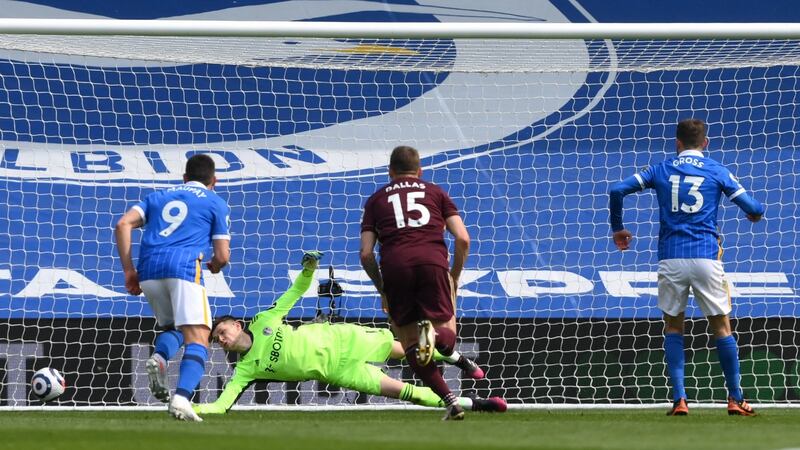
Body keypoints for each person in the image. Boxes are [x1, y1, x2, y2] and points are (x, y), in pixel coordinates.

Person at [193, 251, 506, 415]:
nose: (222, 340)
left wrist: (309, 267)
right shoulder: (246, 370)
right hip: (339, 370)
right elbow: (220, 406)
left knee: (411, 350)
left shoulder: (264, 319)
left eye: (221, 332)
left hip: (346, 339)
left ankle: (460, 360)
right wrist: (186, 404)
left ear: (236, 325)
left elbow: (297, 290)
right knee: (408, 393)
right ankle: (476, 404)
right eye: (218, 340)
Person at [609, 118, 765, 416]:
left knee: (673, 327)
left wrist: (618, 228)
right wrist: (754, 217)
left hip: (671, 259)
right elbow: (755, 208)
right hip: (706, 258)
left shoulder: (660, 169)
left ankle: (680, 400)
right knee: (721, 328)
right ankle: (735, 398)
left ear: (677, 143)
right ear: (705, 143)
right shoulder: (717, 170)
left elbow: (617, 190)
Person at [115, 153, 231, 422]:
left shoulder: (156, 197)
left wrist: (129, 271)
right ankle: (181, 397)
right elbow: (223, 256)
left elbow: (123, 224)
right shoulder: (215, 202)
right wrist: (215, 265)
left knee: (175, 328)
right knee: (200, 335)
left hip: (149, 271)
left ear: (184, 178)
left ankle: (160, 356)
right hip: (184, 269)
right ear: (214, 180)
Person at [360, 145, 472, 420]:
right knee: (446, 335)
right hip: (432, 263)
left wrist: (382, 288)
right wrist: (454, 277)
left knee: (411, 344)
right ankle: (434, 336)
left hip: (395, 267)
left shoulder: (375, 200)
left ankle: (450, 402)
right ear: (420, 171)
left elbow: (365, 254)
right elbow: (463, 239)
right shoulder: (436, 192)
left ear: (390, 172)